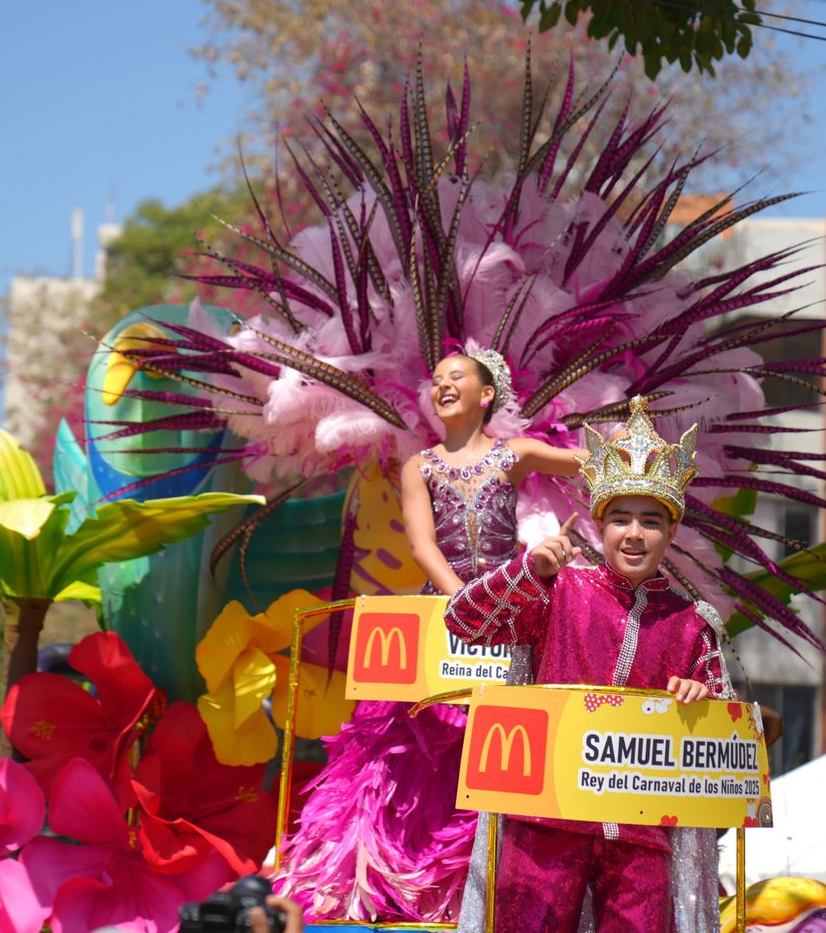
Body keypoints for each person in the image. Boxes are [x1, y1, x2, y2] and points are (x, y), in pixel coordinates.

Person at [274, 348, 586, 924]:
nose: (442, 386)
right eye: (436, 380)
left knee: (502, 746)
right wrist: (465, 602)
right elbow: (423, 545)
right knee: (416, 749)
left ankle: (485, 887)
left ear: (486, 394)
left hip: (511, 618)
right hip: (444, 620)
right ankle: (408, 885)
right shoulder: (418, 466)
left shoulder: (513, 453)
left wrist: (639, 470)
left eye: (456, 377)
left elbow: (594, 466)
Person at [445, 395, 736, 933]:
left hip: (640, 835)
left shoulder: (692, 624)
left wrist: (703, 702)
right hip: (545, 820)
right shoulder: (559, 590)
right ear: (600, 527)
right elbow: (463, 621)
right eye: (620, 518)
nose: (634, 533)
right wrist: (527, 571)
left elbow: (721, 742)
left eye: (650, 521)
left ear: (670, 534)